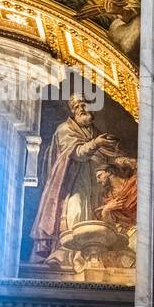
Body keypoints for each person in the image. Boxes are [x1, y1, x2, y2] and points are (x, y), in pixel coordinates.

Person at [29, 95, 120, 264]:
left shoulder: (94, 131)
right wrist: (96, 144)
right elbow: (77, 153)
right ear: (73, 111)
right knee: (75, 211)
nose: (81, 109)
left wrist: (113, 152)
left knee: (95, 214)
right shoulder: (65, 129)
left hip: (95, 181)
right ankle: (65, 255)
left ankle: (90, 255)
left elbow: (105, 155)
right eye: (77, 106)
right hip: (71, 182)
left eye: (84, 105)